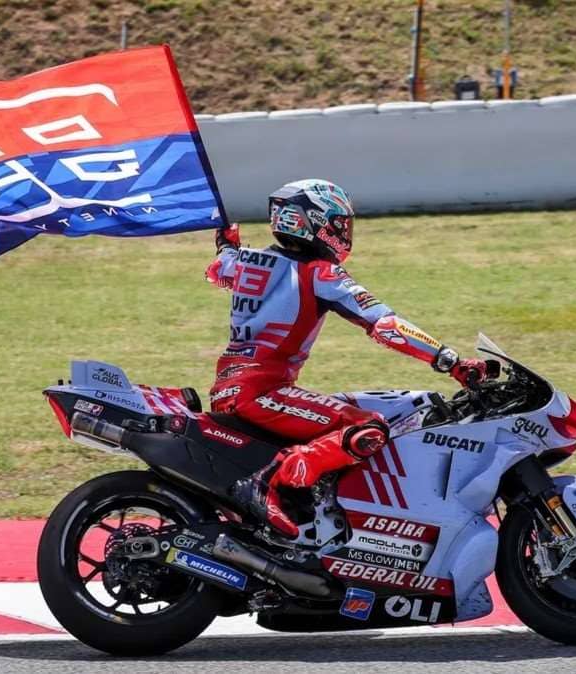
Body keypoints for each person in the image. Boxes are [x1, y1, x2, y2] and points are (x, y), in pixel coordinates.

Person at [205, 179, 486, 538]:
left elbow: (219, 268)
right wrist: (450, 360)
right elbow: (385, 325)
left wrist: (225, 244)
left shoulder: (243, 262)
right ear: (310, 221)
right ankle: (268, 482)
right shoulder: (320, 272)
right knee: (368, 427)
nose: (343, 232)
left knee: (340, 414)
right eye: (338, 223)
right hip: (263, 392)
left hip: (229, 389)